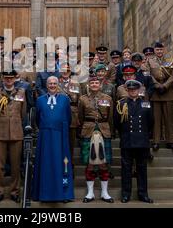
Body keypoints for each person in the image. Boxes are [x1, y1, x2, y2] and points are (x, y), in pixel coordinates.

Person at [32, 76, 74, 203]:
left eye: (54, 83)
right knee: (45, 164)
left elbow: (69, 117)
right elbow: (37, 118)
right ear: (46, 85)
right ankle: (43, 194)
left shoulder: (65, 99)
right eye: (50, 83)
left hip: (60, 137)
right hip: (45, 137)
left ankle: (63, 193)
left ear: (58, 84)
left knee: (62, 164)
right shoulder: (39, 100)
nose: (52, 85)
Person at [114, 80, 154, 204]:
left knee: (142, 169)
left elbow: (150, 122)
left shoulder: (146, 104)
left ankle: (143, 194)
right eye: (130, 90)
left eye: (135, 89)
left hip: (142, 141)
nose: (133, 91)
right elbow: (117, 123)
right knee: (126, 169)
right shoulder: (121, 104)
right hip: (127, 140)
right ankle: (126, 194)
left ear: (139, 90)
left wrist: (146, 137)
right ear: (127, 90)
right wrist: (124, 135)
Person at [0, 70, 27, 203]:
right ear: (3, 79)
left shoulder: (21, 93)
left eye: (11, 78)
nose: (9, 80)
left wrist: (14, 122)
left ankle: (14, 191)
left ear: (15, 79)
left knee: (15, 165)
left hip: (16, 132)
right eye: (6, 78)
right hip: (0, 131)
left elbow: (23, 113)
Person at [78, 75, 114, 203]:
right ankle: (90, 193)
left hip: (104, 131)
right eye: (92, 82)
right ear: (89, 84)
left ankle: (105, 193)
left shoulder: (108, 98)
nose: (94, 84)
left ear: (100, 84)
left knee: (104, 163)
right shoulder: (82, 99)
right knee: (89, 163)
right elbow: (80, 117)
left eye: (96, 82)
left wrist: (109, 130)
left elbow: (110, 117)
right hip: (88, 131)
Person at [148, 42, 173, 152]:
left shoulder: (170, 60)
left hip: (168, 91)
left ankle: (170, 141)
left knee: (168, 118)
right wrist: (157, 85)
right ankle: (156, 142)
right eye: (157, 50)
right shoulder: (149, 61)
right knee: (156, 119)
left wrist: (165, 86)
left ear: (163, 50)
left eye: (161, 50)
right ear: (154, 51)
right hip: (156, 93)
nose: (159, 52)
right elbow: (148, 75)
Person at [58, 63, 81, 164]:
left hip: (73, 114)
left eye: (67, 70)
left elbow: (80, 100)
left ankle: (70, 166)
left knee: (71, 143)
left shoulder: (76, 83)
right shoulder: (55, 82)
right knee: (59, 143)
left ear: (70, 71)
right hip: (59, 115)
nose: (65, 72)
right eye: (63, 70)